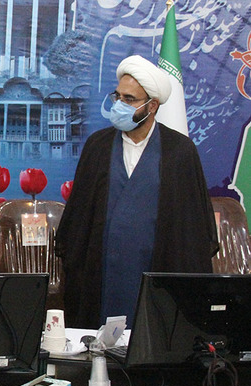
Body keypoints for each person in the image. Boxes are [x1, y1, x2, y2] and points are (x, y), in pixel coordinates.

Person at [55, 55, 218, 329]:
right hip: (101, 276)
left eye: (129, 99)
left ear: (152, 106)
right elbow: (79, 221)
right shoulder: (97, 146)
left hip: (158, 277)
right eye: (117, 96)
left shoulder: (179, 151)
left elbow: (191, 234)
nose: (119, 105)